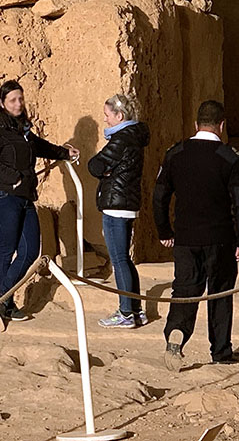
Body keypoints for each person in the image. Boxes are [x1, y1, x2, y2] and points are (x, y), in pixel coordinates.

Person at [153, 100, 239, 370]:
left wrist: (164, 230)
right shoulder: (229, 157)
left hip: (185, 237)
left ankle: (177, 334)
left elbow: (159, 195)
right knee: (220, 292)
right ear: (222, 125)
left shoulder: (176, 153)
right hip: (220, 237)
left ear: (196, 125)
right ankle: (221, 350)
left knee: (185, 289)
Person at [0, 80, 79, 321]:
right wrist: (15, 177)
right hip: (0, 196)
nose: (18, 103)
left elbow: (37, 146)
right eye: (12, 100)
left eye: (20, 99)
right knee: (6, 249)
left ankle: (2, 299)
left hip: (23, 196)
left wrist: (64, 153)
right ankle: (5, 302)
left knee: (30, 250)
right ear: (2, 102)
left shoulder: (21, 127)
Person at [88, 93, 150, 328]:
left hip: (116, 204)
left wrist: (106, 172)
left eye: (107, 115)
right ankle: (135, 309)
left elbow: (95, 165)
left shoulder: (122, 138)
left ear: (119, 115)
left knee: (119, 259)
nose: (105, 120)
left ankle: (126, 313)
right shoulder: (134, 136)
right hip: (126, 203)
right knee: (125, 259)